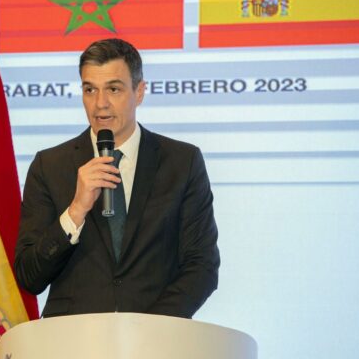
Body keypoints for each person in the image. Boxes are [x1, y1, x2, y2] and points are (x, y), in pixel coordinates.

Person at [14, 38, 220, 318]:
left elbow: (202, 266)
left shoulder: (182, 162)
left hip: (154, 335)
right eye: (90, 90)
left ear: (139, 92)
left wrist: (149, 327)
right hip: (72, 337)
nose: (100, 104)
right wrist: (75, 211)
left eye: (113, 89)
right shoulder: (49, 166)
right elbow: (29, 276)